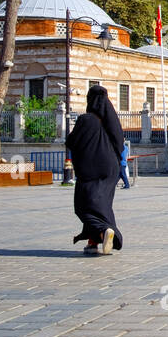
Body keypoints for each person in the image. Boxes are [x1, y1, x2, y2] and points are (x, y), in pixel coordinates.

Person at [66, 85, 126, 255]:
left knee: (84, 205)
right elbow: (120, 144)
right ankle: (93, 242)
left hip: (90, 169)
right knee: (102, 204)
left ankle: (104, 230)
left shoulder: (87, 119)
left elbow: (72, 142)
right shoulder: (111, 120)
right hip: (111, 169)